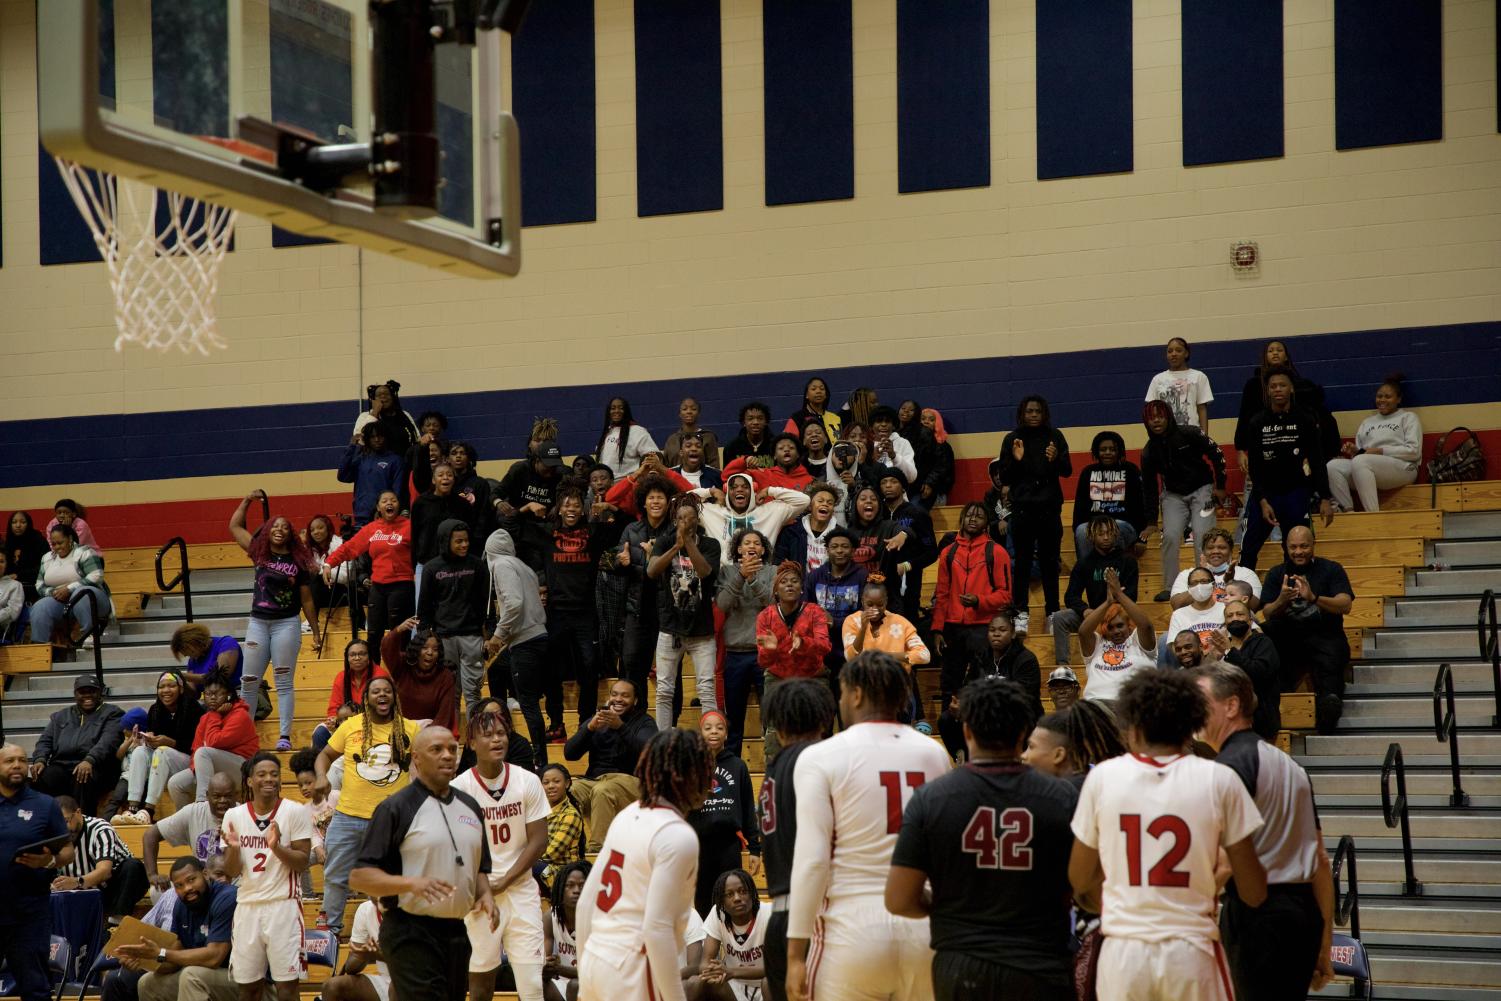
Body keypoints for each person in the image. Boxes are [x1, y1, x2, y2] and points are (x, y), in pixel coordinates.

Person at [1067, 670, 1267, 1001]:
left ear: (1131, 725)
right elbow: (1255, 892)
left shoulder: (1104, 778)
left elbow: (1078, 877)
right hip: (1189, 952)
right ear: (1193, 722)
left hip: (1123, 953)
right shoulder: (1219, 779)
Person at [887, 677, 1078, 1001]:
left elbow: (899, 900)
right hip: (1041, 966)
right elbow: (1085, 885)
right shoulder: (1064, 797)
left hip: (961, 966)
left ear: (967, 732)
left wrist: (947, 906)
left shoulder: (931, 798)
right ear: (1023, 733)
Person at [785, 652, 950, 1001]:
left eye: (843, 692)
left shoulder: (820, 756)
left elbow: (812, 861)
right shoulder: (932, 753)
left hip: (851, 930)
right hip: (924, 927)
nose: (841, 700)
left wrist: (794, 953)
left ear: (857, 694)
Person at [1194, 663, 1335, 1000]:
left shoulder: (1227, 768)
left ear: (1231, 706)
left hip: (1257, 915)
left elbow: (1222, 861)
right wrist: (1325, 942)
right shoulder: (1291, 766)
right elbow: (1320, 861)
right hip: (1303, 917)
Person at [349, 725, 501, 1001]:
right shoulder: (395, 807)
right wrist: (411, 883)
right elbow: (359, 877)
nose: (447, 756)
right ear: (416, 758)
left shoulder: (471, 806)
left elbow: (479, 867)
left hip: (457, 930)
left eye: (453, 750)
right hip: (410, 931)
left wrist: (486, 895)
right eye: (437, 750)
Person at [576, 729, 716, 1001]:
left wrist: (586, 976)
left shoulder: (628, 814)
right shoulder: (678, 835)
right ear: (685, 777)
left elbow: (585, 905)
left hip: (595, 958)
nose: (711, 783)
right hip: (634, 969)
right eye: (705, 771)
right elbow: (657, 928)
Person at [452, 701, 551, 1001]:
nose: (497, 739)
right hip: (479, 894)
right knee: (481, 982)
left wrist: (506, 880)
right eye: (488, 735)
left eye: (501, 733)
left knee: (532, 983)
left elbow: (539, 840)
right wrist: (484, 885)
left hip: (520, 890)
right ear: (472, 742)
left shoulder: (527, 781)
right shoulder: (459, 789)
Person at [315, 676, 420, 936]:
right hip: (348, 816)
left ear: (394, 696)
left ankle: (398, 930)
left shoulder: (411, 729)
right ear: (367, 698)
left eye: (387, 691)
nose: (382, 695)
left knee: (394, 878)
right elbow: (325, 755)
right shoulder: (351, 726)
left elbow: (423, 765)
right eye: (376, 691)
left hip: (393, 820)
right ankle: (330, 933)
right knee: (335, 875)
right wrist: (320, 776)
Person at [755, 681, 836, 1001]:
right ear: (822, 720)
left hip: (778, 919)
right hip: (814, 920)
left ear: (779, 726)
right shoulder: (818, 762)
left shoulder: (771, 772)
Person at [228, 492, 320, 749]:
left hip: (286, 624)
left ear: (291, 534)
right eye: (275, 526)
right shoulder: (259, 552)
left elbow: (307, 600)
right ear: (268, 531)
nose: (280, 529)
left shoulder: (298, 561)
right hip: (258, 622)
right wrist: (246, 501)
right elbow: (235, 526)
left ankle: (284, 736)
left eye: (285, 527)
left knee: (283, 682)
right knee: (249, 681)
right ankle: (245, 737)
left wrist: (315, 631)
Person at [221, 752, 314, 1001]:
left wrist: (276, 848)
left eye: (274, 774)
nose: (269, 779)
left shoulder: (295, 811)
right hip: (247, 907)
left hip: (284, 907)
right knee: (248, 988)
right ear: (250, 781)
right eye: (262, 774)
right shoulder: (234, 816)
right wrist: (234, 848)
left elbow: (303, 862)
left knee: (287, 988)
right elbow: (230, 872)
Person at [102, 856, 239, 1001]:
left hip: (242, 978)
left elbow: (214, 956)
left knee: (191, 976)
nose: (187, 888)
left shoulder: (226, 897)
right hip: (205, 974)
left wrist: (161, 953)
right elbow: (174, 960)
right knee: (147, 983)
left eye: (191, 880)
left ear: (205, 874)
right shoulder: (181, 905)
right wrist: (143, 959)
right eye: (179, 885)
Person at [1260, 525, 1353, 734]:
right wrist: (1281, 600)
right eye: (1293, 547)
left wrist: (1314, 598)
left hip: (1325, 636)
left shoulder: (1331, 569)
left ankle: (1328, 710)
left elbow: (1345, 604)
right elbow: (1267, 612)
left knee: (1330, 661)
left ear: (1313, 545)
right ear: (1286, 547)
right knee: (1265, 632)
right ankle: (1274, 713)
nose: (1298, 551)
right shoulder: (1277, 573)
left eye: (1304, 546)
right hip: (1288, 640)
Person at [1240, 367, 1335, 571]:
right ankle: (1241, 592)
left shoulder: (1305, 418)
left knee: (1294, 547)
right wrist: (1263, 500)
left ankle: (1295, 589)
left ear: (1291, 388)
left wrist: (1325, 497)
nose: (1278, 390)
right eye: (1273, 386)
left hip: (1296, 492)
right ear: (1267, 391)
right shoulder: (1257, 422)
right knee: (1248, 547)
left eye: (1282, 385)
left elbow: (1317, 460)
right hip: (1265, 495)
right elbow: (1254, 468)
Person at [2, 743, 75, 1001]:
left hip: (29, 912)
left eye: (22, 760)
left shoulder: (45, 805)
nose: (17, 765)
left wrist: (48, 861)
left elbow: (68, 850)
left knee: (35, 986)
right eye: (9, 760)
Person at [995, 396, 1071, 634]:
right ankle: (1020, 614)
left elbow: (1067, 471)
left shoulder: (1055, 436)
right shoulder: (1012, 439)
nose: (1034, 414)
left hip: (1049, 509)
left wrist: (1055, 459)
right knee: (1022, 564)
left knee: (1050, 564)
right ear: (1022, 413)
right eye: (1029, 411)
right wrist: (1017, 461)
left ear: (1044, 413)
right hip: (1022, 510)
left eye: (1038, 411)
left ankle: (1052, 614)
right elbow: (1005, 478)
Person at [1139, 400, 1229, 600]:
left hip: (1202, 490)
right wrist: (1152, 522)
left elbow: (1217, 454)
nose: (1156, 421)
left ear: (1168, 416)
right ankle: (1171, 587)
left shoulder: (1190, 433)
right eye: (1151, 418)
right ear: (1146, 422)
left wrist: (1220, 486)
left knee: (1202, 535)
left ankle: (1207, 582)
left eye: (1160, 416)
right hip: (1173, 495)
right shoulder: (1148, 451)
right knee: (1170, 536)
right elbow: (1149, 486)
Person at [540, 489, 613, 728]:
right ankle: (556, 722)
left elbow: (622, 524)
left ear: (583, 509)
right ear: (559, 509)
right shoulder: (547, 533)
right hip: (556, 613)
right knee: (551, 668)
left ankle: (586, 721)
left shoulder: (593, 533)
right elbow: (513, 526)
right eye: (567, 505)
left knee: (590, 667)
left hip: (585, 613)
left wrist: (609, 509)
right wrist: (526, 509)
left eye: (576, 505)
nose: (571, 509)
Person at [648, 495, 724, 727]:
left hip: (702, 630)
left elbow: (704, 573)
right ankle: (663, 741)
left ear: (697, 520)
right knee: (664, 690)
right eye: (680, 518)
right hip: (671, 628)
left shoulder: (711, 545)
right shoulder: (664, 542)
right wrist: (675, 547)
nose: (684, 522)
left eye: (689, 518)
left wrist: (689, 544)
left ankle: (710, 741)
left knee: (706, 689)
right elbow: (652, 571)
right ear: (674, 520)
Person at [483, 529, 554, 763]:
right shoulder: (525, 567)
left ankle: (539, 758)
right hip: (539, 637)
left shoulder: (501, 565)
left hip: (525, 641)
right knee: (530, 700)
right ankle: (538, 755)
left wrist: (498, 635)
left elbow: (513, 603)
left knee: (528, 703)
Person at [932, 503, 1013, 708]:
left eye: (979, 516)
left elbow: (1005, 595)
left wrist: (979, 601)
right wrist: (937, 629)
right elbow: (941, 594)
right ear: (962, 519)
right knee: (949, 684)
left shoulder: (997, 552)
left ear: (987, 523)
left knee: (980, 683)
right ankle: (947, 727)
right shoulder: (948, 553)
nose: (973, 519)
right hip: (952, 626)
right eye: (969, 515)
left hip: (982, 625)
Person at [326, 490, 414, 672]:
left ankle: (403, 674)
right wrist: (328, 564)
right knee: (374, 634)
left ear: (399, 505)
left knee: (399, 633)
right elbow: (349, 548)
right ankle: (374, 675)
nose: (389, 503)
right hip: (378, 587)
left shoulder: (409, 526)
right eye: (384, 501)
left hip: (402, 585)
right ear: (378, 507)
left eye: (393, 500)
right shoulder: (372, 529)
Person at [935, 611, 1041, 761]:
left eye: (1002, 630)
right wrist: (962, 705)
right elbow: (968, 688)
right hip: (985, 715)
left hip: (1018, 717)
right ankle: (964, 759)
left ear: (1012, 634)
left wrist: (980, 707)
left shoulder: (1026, 659)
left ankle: (1016, 758)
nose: (996, 634)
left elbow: (1023, 699)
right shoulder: (981, 657)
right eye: (992, 630)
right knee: (947, 719)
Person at [755, 562, 832, 761]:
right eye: (784, 582)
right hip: (778, 677)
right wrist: (771, 650)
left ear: (801, 588)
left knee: (818, 733)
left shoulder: (814, 611)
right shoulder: (766, 616)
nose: (789, 585)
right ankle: (774, 779)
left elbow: (825, 647)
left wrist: (804, 643)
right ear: (776, 590)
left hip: (812, 677)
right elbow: (763, 662)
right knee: (773, 736)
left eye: (794, 581)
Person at [1233, 340, 1340, 479]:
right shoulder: (1253, 385)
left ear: (1286, 356)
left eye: (1279, 350)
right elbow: (1244, 417)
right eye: (1270, 351)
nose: (1275, 353)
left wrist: (1332, 451)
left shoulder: (1303, 385)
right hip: (1265, 444)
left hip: (1294, 445)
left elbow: (1323, 418)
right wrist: (1240, 450)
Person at [689, 712, 762, 915]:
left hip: (728, 845)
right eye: (708, 727)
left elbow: (748, 809)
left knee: (731, 900)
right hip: (699, 845)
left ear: (727, 735)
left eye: (719, 728)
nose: (714, 731)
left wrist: (754, 849)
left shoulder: (738, 766)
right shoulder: (691, 766)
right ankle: (707, 945)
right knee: (703, 902)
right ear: (700, 733)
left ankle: (731, 946)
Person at [112, 670, 205, 825]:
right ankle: (133, 807)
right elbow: (155, 743)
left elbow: (198, 746)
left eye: (171, 686)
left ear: (181, 688)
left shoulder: (193, 709)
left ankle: (148, 810)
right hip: (162, 765)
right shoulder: (155, 710)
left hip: (189, 764)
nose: (166, 690)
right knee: (140, 751)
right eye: (161, 687)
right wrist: (149, 740)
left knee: (163, 751)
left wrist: (171, 743)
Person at [417, 520, 488, 712]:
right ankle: (453, 741)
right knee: (450, 694)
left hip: (472, 636)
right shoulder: (432, 568)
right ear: (446, 541)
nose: (464, 545)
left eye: (466, 540)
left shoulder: (477, 565)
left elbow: (484, 602)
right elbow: (424, 605)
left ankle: (476, 740)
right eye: (458, 541)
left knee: (473, 693)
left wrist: (486, 632)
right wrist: (424, 636)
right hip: (443, 638)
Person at [841, 576, 931, 725]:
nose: (875, 609)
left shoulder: (900, 622)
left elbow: (924, 655)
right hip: (866, 687)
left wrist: (888, 657)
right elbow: (851, 657)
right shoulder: (852, 621)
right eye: (869, 604)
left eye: (880, 605)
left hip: (897, 687)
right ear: (862, 600)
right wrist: (863, 628)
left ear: (886, 602)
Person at [718, 529, 776, 756]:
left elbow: (774, 604)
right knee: (733, 720)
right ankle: (732, 770)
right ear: (738, 549)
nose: (752, 546)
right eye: (746, 543)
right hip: (735, 654)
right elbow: (722, 604)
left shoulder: (773, 571)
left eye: (757, 543)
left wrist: (752, 581)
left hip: (765, 654)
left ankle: (773, 765)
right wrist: (741, 576)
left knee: (770, 718)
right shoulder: (727, 572)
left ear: (763, 549)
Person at [30, 674, 124, 815]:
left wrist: (89, 760)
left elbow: (108, 742)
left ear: (100, 692)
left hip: (97, 766)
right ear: (75, 694)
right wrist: (40, 759)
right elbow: (45, 740)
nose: (87, 695)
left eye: (92, 691)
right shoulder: (60, 716)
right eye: (82, 692)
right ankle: (45, 822)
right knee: (42, 776)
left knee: (83, 776)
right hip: (62, 765)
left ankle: (84, 822)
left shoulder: (113, 713)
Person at [1326, 374, 1422, 512]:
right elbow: (1360, 457)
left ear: (1399, 399)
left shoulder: (1408, 417)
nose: (1382, 400)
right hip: (1369, 467)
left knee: (1361, 462)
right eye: (1379, 396)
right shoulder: (1367, 422)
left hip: (1404, 468)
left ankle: (1372, 515)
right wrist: (1355, 451)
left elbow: (1414, 451)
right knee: (1332, 466)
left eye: (1388, 397)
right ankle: (1348, 512)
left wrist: (1380, 451)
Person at [1054, 516, 1140, 666]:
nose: (1106, 537)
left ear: (1115, 534)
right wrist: (1084, 610)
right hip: (1093, 614)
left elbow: (1131, 596)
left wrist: (1114, 603)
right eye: (1101, 534)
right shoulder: (1084, 563)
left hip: (1119, 615)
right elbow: (1070, 596)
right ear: (1092, 536)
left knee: (1134, 617)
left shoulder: (1128, 560)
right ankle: (1063, 667)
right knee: (1060, 617)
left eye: (1109, 533)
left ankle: (1129, 662)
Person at [166, 671, 259, 807]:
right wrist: (197, 770)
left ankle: (202, 805)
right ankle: (190, 825)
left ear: (228, 695)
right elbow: (195, 750)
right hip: (216, 768)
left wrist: (215, 715)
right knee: (175, 783)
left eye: (217, 694)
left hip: (244, 770)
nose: (212, 698)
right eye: (208, 694)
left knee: (204, 753)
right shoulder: (205, 718)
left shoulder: (240, 715)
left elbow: (214, 742)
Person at [51, 793, 146, 919]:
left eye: (66, 821)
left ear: (78, 812)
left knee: (132, 865)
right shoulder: (54, 833)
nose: (63, 828)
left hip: (113, 888)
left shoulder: (100, 829)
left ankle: (116, 921)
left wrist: (76, 882)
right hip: (81, 893)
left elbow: (105, 871)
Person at [142, 773, 240, 892]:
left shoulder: (246, 816)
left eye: (228, 796)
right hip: (202, 885)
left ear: (236, 796)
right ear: (207, 796)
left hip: (237, 885)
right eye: (217, 796)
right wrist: (152, 875)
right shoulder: (193, 812)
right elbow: (150, 835)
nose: (222, 801)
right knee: (157, 890)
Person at [801, 528, 866, 699]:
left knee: (849, 710)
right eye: (834, 546)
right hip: (821, 655)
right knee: (824, 712)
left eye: (845, 547)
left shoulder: (863, 576)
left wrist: (836, 623)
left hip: (852, 653)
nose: (839, 550)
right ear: (827, 550)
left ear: (853, 550)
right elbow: (805, 610)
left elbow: (866, 614)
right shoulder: (814, 576)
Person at [1077, 569, 1156, 707]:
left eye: (1120, 626)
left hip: (1134, 705)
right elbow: (1083, 632)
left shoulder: (1137, 641)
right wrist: (1108, 602)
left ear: (1129, 625)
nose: (1116, 631)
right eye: (1110, 627)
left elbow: (1147, 626)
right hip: (1097, 706)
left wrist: (1119, 595)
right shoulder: (1098, 644)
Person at [29, 522, 113, 649]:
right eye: (54, 544)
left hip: (93, 600)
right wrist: (54, 592)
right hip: (61, 602)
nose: (57, 547)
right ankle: (40, 647)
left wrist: (69, 589)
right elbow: (39, 584)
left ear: (70, 539)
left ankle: (90, 635)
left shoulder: (85, 552)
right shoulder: (46, 558)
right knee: (40, 606)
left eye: (60, 543)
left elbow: (96, 576)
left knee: (81, 593)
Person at [1071, 430, 1148, 559]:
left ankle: (1113, 569)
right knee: (1081, 531)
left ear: (1120, 451)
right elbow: (1080, 507)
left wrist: (1142, 539)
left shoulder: (1131, 470)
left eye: (1112, 449)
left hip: (1124, 525)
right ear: (1096, 451)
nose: (1107, 453)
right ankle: (1088, 574)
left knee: (1114, 527)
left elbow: (1140, 506)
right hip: (1095, 526)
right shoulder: (1088, 472)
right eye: (1103, 449)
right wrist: (1080, 528)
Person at [1215, 599, 1283, 740]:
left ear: (1250, 619)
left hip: (1259, 720)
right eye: (1230, 616)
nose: (1235, 618)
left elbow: (1258, 673)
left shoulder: (1263, 642)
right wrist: (1212, 658)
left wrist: (1229, 652)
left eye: (1240, 614)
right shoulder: (1220, 648)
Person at [875, 467, 936, 622]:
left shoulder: (918, 513)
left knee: (907, 624)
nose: (888, 485)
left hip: (909, 581)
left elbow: (931, 552)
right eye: (884, 482)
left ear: (903, 487)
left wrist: (907, 566)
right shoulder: (876, 514)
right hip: (880, 580)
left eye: (893, 481)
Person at [412, 463, 479, 602]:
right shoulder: (421, 503)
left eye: (449, 475)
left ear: (454, 479)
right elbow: (415, 534)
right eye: (441, 475)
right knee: (422, 608)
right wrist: (413, 566)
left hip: (455, 565)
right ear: (433, 480)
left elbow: (469, 534)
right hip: (425, 563)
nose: (445, 478)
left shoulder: (462, 504)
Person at [694, 472, 810, 551]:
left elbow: (804, 500)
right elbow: (679, 503)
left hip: (760, 578)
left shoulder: (771, 512)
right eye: (733, 487)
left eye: (745, 487)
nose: (739, 489)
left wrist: (770, 490)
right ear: (727, 492)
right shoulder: (711, 512)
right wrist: (709, 491)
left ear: (753, 490)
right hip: (725, 579)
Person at [1020, 699, 1125, 785]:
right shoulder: (1098, 775)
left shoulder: (1065, 795)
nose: (1023, 755)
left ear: (1059, 754)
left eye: (1031, 746)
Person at [701, 869, 768, 1001]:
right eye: (729, 894)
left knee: (770, 982)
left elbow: (778, 968)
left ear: (753, 894)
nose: (737, 898)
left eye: (743, 891)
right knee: (706, 982)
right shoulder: (718, 914)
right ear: (722, 902)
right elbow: (704, 963)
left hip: (764, 984)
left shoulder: (768, 914)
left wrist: (732, 972)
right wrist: (714, 971)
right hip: (734, 985)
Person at [383, 623, 460, 736]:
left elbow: (445, 715)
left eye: (435, 649)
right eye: (424, 648)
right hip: (400, 729)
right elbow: (386, 649)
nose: (430, 653)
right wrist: (398, 630)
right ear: (416, 650)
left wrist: (426, 736)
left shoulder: (445, 676)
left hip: (432, 731)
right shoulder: (403, 665)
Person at [313, 640, 390, 751]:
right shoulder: (341, 677)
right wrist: (333, 720)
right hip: (345, 724)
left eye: (362, 654)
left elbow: (383, 709)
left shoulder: (380, 676)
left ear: (369, 657)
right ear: (347, 658)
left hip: (373, 724)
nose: (357, 658)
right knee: (320, 733)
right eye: (353, 655)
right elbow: (334, 708)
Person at [1167, 527, 1262, 611]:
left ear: (1231, 551)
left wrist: (1231, 582)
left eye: (1222, 547)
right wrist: (1203, 581)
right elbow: (1177, 605)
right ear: (1203, 551)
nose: (1216, 551)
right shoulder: (1187, 574)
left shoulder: (1246, 574)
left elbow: (1254, 606)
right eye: (1210, 548)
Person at [320, 896, 391, 1001]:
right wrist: (362, 955)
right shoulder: (365, 910)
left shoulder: (413, 909)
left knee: (398, 987)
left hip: (415, 982)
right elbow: (350, 969)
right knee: (332, 986)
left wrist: (382, 956)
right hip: (386, 981)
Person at [341, 423, 408, 525]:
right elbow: (343, 476)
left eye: (380, 436)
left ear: (386, 437)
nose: (377, 440)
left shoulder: (395, 460)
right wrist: (352, 447)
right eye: (372, 437)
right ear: (368, 439)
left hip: (384, 517)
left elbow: (397, 492)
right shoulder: (361, 459)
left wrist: (385, 511)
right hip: (361, 517)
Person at [773, 483, 843, 577]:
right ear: (810, 506)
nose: (825, 504)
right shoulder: (791, 531)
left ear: (833, 509)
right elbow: (779, 561)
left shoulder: (841, 535)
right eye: (820, 501)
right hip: (798, 589)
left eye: (830, 503)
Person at [544, 861, 590, 1001]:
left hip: (589, 986)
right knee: (533, 984)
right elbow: (545, 963)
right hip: (561, 985)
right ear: (560, 889)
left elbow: (592, 973)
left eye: (582, 886)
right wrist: (547, 966)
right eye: (570, 885)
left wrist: (559, 969)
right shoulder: (550, 918)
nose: (576, 890)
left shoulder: (595, 921)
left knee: (575, 985)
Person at [1145, 336, 1214, 431]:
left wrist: (1204, 437)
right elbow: (1151, 411)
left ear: (1186, 353)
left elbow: (1202, 409)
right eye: (1170, 351)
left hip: (1192, 433)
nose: (1173, 354)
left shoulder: (1198, 376)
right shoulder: (1157, 379)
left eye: (1178, 350)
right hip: (1166, 434)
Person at [1163, 567, 1226, 663]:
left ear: (1213, 586)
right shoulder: (1179, 614)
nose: (1199, 586)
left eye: (1204, 581)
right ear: (1189, 589)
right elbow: (1174, 648)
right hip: (1192, 667)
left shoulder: (1226, 609)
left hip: (1223, 666)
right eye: (1194, 583)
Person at [537, 763, 585, 887]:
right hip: (539, 866)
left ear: (567, 783)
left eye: (556, 781)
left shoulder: (571, 814)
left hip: (562, 873)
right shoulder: (536, 811)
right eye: (546, 783)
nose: (551, 786)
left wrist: (524, 860)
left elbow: (552, 852)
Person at [354, 381, 422, 459]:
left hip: (405, 463)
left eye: (387, 394)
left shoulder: (405, 415)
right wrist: (375, 412)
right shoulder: (364, 416)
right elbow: (360, 441)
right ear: (373, 400)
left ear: (393, 397)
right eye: (379, 395)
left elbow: (417, 438)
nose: (383, 397)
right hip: (378, 464)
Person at [170, 624, 244, 691]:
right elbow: (193, 693)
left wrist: (184, 675)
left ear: (195, 642)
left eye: (185, 650)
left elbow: (220, 677)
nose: (185, 655)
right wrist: (179, 683)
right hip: (210, 701)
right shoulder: (192, 661)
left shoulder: (226, 643)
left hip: (235, 697)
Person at [665, 398, 723, 468]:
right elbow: (666, 467)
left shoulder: (708, 437)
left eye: (693, 409)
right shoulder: (672, 440)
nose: (689, 411)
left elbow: (714, 465)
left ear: (698, 413)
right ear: (680, 414)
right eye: (684, 409)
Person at [6, 511, 49, 604]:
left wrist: (19, 575)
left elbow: (45, 567)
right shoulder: (8, 542)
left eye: (22, 522)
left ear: (28, 524)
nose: (18, 525)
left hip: (33, 586)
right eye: (14, 522)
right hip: (9, 587)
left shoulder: (38, 541)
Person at [916, 408, 954, 509]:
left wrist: (930, 484)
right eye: (923, 418)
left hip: (936, 493)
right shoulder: (912, 442)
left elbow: (944, 469)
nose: (926, 421)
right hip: (916, 491)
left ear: (938, 423)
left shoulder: (943, 446)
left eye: (931, 419)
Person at [784, 377, 841, 443]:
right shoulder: (797, 418)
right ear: (806, 395)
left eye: (822, 389)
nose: (818, 391)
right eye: (813, 389)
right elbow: (789, 444)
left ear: (826, 395)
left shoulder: (835, 418)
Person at [723, 401, 775, 466]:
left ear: (766, 422)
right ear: (744, 422)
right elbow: (727, 474)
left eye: (760, 418)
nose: (755, 422)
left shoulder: (775, 445)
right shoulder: (732, 447)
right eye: (750, 419)